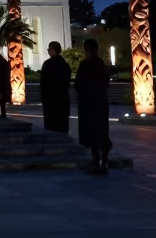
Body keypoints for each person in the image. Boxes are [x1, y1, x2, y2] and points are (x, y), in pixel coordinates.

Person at [75, 38, 112, 175]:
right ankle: (103, 162)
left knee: (92, 134)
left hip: (89, 104)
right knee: (101, 133)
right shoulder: (102, 64)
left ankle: (98, 163)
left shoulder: (85, 64)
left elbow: (79, 84)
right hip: (100, 102)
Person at [40, 41, 72, 133]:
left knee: (51, 128)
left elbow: (44, 83)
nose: (48, 51)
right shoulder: (65, 65)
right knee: (62, 127)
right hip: (62, 101)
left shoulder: (48, 64)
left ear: (53, 50)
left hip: (50, 102)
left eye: (49, 49)